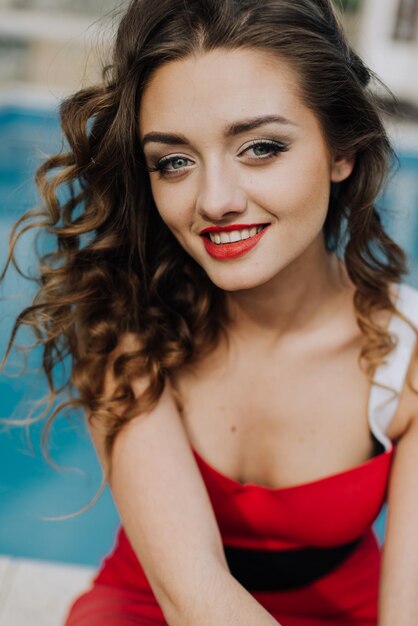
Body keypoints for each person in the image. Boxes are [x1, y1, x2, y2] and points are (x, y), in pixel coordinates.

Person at [2, 0, 418, 624]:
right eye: (175, 161)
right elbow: (192, 595)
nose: (215, 200)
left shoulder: (407, 353)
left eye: (260, 147)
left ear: (342, 152)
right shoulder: (126, 326)